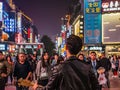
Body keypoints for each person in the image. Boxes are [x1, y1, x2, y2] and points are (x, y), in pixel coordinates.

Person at [33, 34, 99, 90]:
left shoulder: (59, 68)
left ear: (66, 47)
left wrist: (37, 88)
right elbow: (96, 87)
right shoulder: (87, 66)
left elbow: (49, 88)